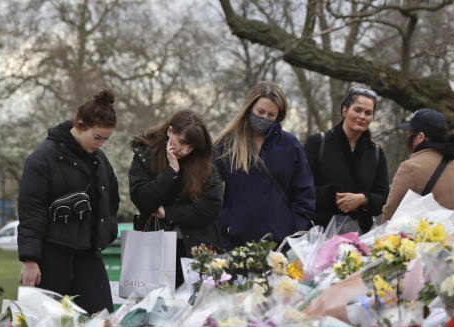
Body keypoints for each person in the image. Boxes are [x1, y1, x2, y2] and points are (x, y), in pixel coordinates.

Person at [17, 89, 121, 314]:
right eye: (97, 137)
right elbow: (31, 211)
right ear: (81, 125)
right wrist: (30, 260)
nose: (101, 144)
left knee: (102, 323)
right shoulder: (43, 158)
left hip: (89, 255)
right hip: (52, 257)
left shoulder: (100, 159)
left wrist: (108, 229)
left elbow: (112, 198)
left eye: (106, 139)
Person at [214, 80, 315, 247]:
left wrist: (291, 232)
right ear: (249, 107)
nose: (264, 118)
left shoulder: (290, 145)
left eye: (271, 115)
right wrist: (225, 225)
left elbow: (305, 196)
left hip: (278, 247)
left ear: (278, 116)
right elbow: (211, 191)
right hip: (235, 244)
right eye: (260, 112)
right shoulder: (226, 145)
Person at [129, 109, 222, 288]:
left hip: (198, 248)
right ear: (170, 131)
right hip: (156, 248)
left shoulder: (204, 161)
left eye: (191, 146)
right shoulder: (145, 153)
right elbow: (143, 199)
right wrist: (171, 171)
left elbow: (212, 207)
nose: (185, 150)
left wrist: (168, 213)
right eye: (182, 142)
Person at [304, 88, 389, 233]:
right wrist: (333, 197)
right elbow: (301, 188)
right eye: (357, 110)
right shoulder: (318, 143)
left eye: (368, 113)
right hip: (319, 235)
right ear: (345, 111)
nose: (362, 116)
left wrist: (363, 199)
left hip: (360, 239)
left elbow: (383, 197)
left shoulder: (376, 153)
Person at [382, 108, 454, 220]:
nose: (408, 137)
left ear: (420, 137)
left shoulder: (410, 167)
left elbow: (391, 212)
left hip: (427, 236)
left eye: (411, 133)